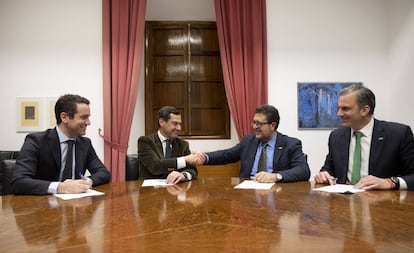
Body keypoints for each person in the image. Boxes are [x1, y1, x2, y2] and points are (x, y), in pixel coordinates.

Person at [314, 84, 414, 190]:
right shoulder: (336, 136)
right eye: (339, 108)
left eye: (345, 109)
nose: (339, 113)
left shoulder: (398, 134)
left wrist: (390, 182)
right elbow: (329, 168)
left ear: (364, 110)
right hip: (342, 202)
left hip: (383, 202)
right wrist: (323, 175)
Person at [11, 94, 111, 195]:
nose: (88, 123)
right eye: (84, 117)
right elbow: (19, 181)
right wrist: (61, 187)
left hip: (76, 204)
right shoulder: (36, 141)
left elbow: (103, 173)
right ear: (64, 117)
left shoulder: (85, 144)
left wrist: (85, 182)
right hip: (42, 204)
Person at [197, 105, 310, 183]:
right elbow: (227, 155)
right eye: (254, 123)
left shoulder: (290, 144)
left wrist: (275, 176)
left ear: (272, 125)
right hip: (247, 194)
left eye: (259, 124)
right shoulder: (248, 141)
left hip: (277, 195)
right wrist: (205, 157)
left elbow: (303, 170)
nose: (255, 127)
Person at [138, 106, 199, 184]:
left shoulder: (183, 144)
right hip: (150, 190)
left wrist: (184, 175)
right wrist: (184, 160)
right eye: (175, 124)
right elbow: (155, 166)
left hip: (175, 189)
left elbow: (192, 170)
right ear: (162, 122)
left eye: (180, 124)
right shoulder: (145, 141)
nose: (179, 128)